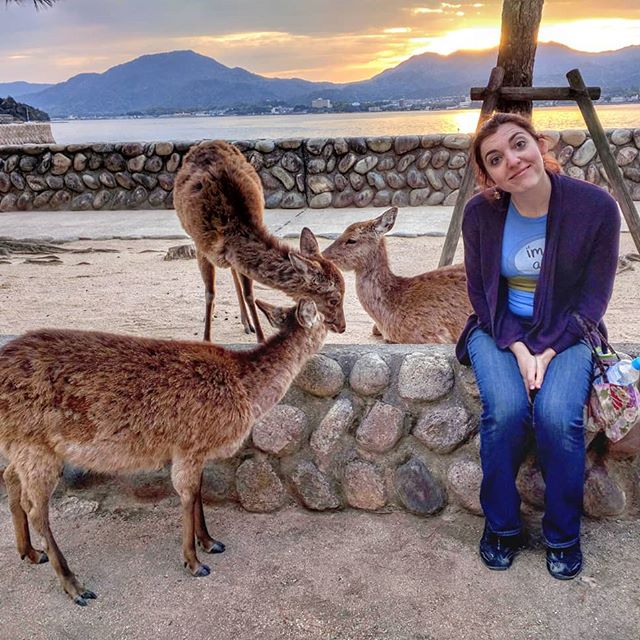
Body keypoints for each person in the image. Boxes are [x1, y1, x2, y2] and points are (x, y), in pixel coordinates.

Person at [456, 112, 620, 580]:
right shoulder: (481, 215)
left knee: (557, 416)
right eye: (496, 159)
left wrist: (547, 349)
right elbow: (482, 297)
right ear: (489, 176)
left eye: (518, 144)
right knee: (505, 412)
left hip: (569, 331)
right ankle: (502, 527)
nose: (512, 160)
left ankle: (563, 534)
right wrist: (520, 349)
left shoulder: (596, 208)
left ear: (538, 144)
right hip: (499, 330)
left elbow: (593, 300)